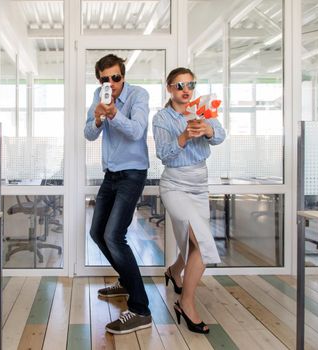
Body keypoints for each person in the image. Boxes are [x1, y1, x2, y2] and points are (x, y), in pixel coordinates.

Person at [152, 67, 225, 334]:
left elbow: (220, 136)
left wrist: (207, 129)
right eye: (180, 85)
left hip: (200, 184)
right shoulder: (162, 118)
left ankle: (174, 271)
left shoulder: (204, 109)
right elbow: (164, 154)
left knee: (194, 242)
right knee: (204, 244)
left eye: (190, 85)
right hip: (175, 185)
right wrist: (183, 136)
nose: (186, 90)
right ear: (170, 88)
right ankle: (186, 304)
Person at [84, 54, 152, 334]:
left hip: (133, 172)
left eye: (116, 78)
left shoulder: (139, 95)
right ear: (99, 79)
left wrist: (113, 114)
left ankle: (140, 309)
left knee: (114, 236)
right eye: (105, 79)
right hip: (111, 174)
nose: (111, 83)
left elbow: (136, 131)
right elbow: (88, 133)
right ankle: (125, 281)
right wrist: (99, 118)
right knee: (97, 233)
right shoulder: (98, 95)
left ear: (123, 76)